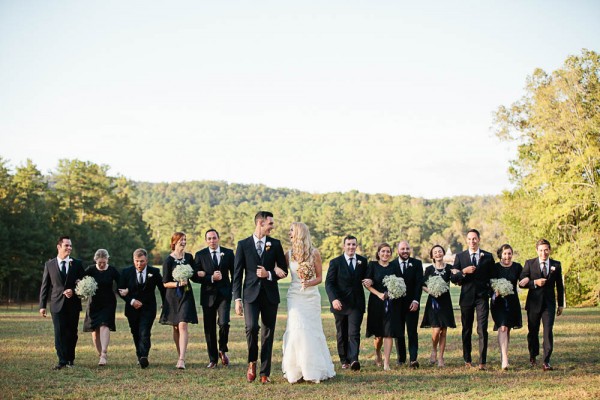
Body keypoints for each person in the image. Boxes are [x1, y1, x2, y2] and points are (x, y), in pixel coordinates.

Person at [233, 211, 288, 384]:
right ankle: (252, 362)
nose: (272, 227)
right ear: (260, 223)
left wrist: (269, 274)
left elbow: (283, 271)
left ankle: (265, 373)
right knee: (251, 328)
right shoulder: (243, 244)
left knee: (268, 333)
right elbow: (237, 274)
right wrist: (237, 299)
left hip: (270, 295)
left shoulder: (276, 244)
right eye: (270, 224)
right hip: (250, 295)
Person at [281, 222, 335, 383]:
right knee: (296, 329)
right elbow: (283, 273)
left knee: (311, 330)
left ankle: (312, 369)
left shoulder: (314, 253)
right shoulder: (288, 254)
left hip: (311, 296)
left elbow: (319, 277)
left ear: (299, 233)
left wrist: (309, 283)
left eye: (291, 230)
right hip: (294, 296)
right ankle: (295, 371)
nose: (289, 233)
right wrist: (276, 271)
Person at [450, 228, 495, 370]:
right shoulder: (460, 257)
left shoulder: (487, 256)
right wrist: (463, 271)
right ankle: (467, 359)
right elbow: (453, 278)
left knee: (482, 329)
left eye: (474, 238)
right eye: (469, 239)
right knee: (466, 329)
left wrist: (490, 291)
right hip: (466, 298)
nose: (472, 241)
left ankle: (482, 362)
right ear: (466, 241)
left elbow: (493, 277)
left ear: (479, 240)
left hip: (482, 298)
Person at [39, 236, 85, 370]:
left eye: (70, 245)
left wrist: (74, 291)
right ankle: (62, 360)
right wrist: (42, 306)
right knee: (59, 332)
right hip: (56, 304)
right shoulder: (49, 265)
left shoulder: (77, 264)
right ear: (59, 247)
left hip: (73, 304)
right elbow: (45, 286)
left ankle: (70, 358)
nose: (69, 248)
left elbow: (83, 283)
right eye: (66, 245)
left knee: (72, 333)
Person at [325, 235, 370, 371]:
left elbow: (367, 278)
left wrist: (370, 281)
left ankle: (354, 359)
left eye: (353, 244)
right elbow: (329, 283)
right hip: (340, 304)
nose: (351, 247)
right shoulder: (335, 262)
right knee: (342, 333)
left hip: (356, 303)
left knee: (354, 332)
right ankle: (344, 359)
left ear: (356, 246)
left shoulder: (363, 261)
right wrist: (334, 299)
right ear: (344, 246)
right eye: (349, 244)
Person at [520, 239, 564, 371]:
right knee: (533, 331)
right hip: (533, 304)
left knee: (548, 331)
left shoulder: (556, 264)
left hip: (549, 305)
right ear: (537, 251)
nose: (543, 253)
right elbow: (521, 282)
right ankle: (533, 355)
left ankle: (546, 360)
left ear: (549, 250)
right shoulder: (529, 263)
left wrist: (560, 304)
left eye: (546, 250)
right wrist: (535, 283)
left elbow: (559, 286)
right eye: (541, 250)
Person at [194, 229, 234, 368]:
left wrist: (233, 291)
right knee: (209, 328)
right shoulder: (200, 255)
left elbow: (235, 274)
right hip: (208, 295)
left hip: (224, 295)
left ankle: (222, 349)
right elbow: (195, 276)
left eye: (214, 238)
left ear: (218, 238)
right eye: (209, 238)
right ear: (206, 240)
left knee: (224, 323)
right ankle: (212, 359)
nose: (212, 240)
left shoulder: (228, 253)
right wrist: (210, 277)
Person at [118, 248, 165, 369]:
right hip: (132, 309)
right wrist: (131, 301)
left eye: (142, 261)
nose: (139, 264)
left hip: (148, 308)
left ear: (147, 260)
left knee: (144, 332)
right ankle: (139, 355)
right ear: (133, 260)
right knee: (135, 332)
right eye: (137, 261)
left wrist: (165, 302)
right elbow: (119, 290)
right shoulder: (126, 272)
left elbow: (162, 288)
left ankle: (144, 356)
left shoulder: (154, 272)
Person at [159, 232, 199, 370]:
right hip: (172, 297)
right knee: (176, 327)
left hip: (186, 295)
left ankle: (182, 358)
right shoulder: (168, 261)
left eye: (185, 240)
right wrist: (177, 284)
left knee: (183, 325)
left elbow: (194, 274)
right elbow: (164, 283)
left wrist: (201, 274)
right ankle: (179, 355)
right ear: (174, 242)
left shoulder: (188, 257)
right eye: (181, 240)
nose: (183, 242)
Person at [365, 243, 402, 371]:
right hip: (376, 302)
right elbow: (367, 283)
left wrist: (392, 293)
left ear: (391, 254)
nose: (385, 254)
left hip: (391, 303)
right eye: (383, 251)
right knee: (379, 335)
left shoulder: (394, 266)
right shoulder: (372, 265)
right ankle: (377, 352)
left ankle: (386, 362)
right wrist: (379, 294)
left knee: (388, 333)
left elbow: (400, 283)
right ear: (378, 253)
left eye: (388, 252)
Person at [420, 244, 456, 368]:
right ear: (432, 255)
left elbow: (456, 279)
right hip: (433, 302)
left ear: (443, 253)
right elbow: (422, 284)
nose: (438, 254)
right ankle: (434, 349)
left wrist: (457, 273)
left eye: (440, 251)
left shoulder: (450, 268)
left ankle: (441, 357)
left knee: (444, 331)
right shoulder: (429, 269)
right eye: (435, 252)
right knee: (436, 330)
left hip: (445, 301)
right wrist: (430, 291)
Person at [83, 249, 120, 366]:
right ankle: (100, 354)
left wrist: (123, 290)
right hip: (94, 303)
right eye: (100, 262)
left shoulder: (112, 270)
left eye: (104, 262)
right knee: (95, 331)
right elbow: (80, 281)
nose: (102, 264)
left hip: (108, 302)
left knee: (104, 325)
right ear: (95, 260)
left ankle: (104, 353)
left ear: (107, 260)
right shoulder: (90, 269)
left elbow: (122, 282)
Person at [390, 240, 423, 368]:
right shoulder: (392, 265)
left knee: (412, 332)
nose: (405, 251)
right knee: (398, 332)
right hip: (396, 304)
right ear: (398, 250)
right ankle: (401, 358)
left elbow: (418, 284)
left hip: (412, 304)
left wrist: (416, 300)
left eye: (407, 249)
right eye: (402, 249)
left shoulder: (417, 263)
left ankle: (413, 359)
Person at [490, 244, 523, 370]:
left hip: (512, 302)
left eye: (509, 253)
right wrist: (495, 291)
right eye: (505, 254)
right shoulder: (495, 267)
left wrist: (525, 281)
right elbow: (490, 282)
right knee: (502, 327)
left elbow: (523, 279)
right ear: (500, 255)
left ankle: (504, 353)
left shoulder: (517, 267)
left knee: (507, 329)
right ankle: (504, 359)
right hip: (498, 302)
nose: (507, 256)